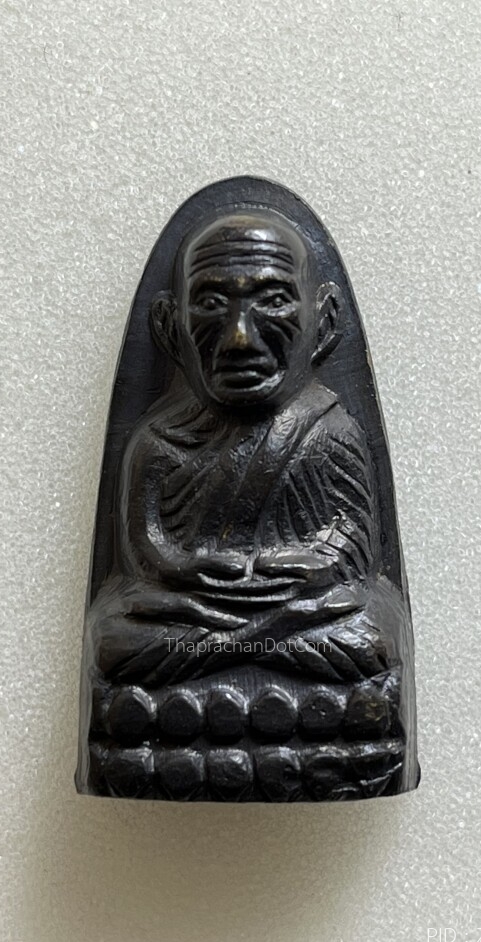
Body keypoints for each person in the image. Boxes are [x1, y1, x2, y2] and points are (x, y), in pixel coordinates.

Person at [86, 209, 397, 687]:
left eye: (273, 301)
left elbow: (353, 545)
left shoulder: (328, 430)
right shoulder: (158, 441)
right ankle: (254, 647)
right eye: (211, 304)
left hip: (296, 608)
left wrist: (307, 566)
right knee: (111, 638)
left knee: (372, 632)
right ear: (170, 327)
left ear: (324, 322)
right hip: (198, 608)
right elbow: (146, 552)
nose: (239, 340)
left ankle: (232, 652)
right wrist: (191, 569)